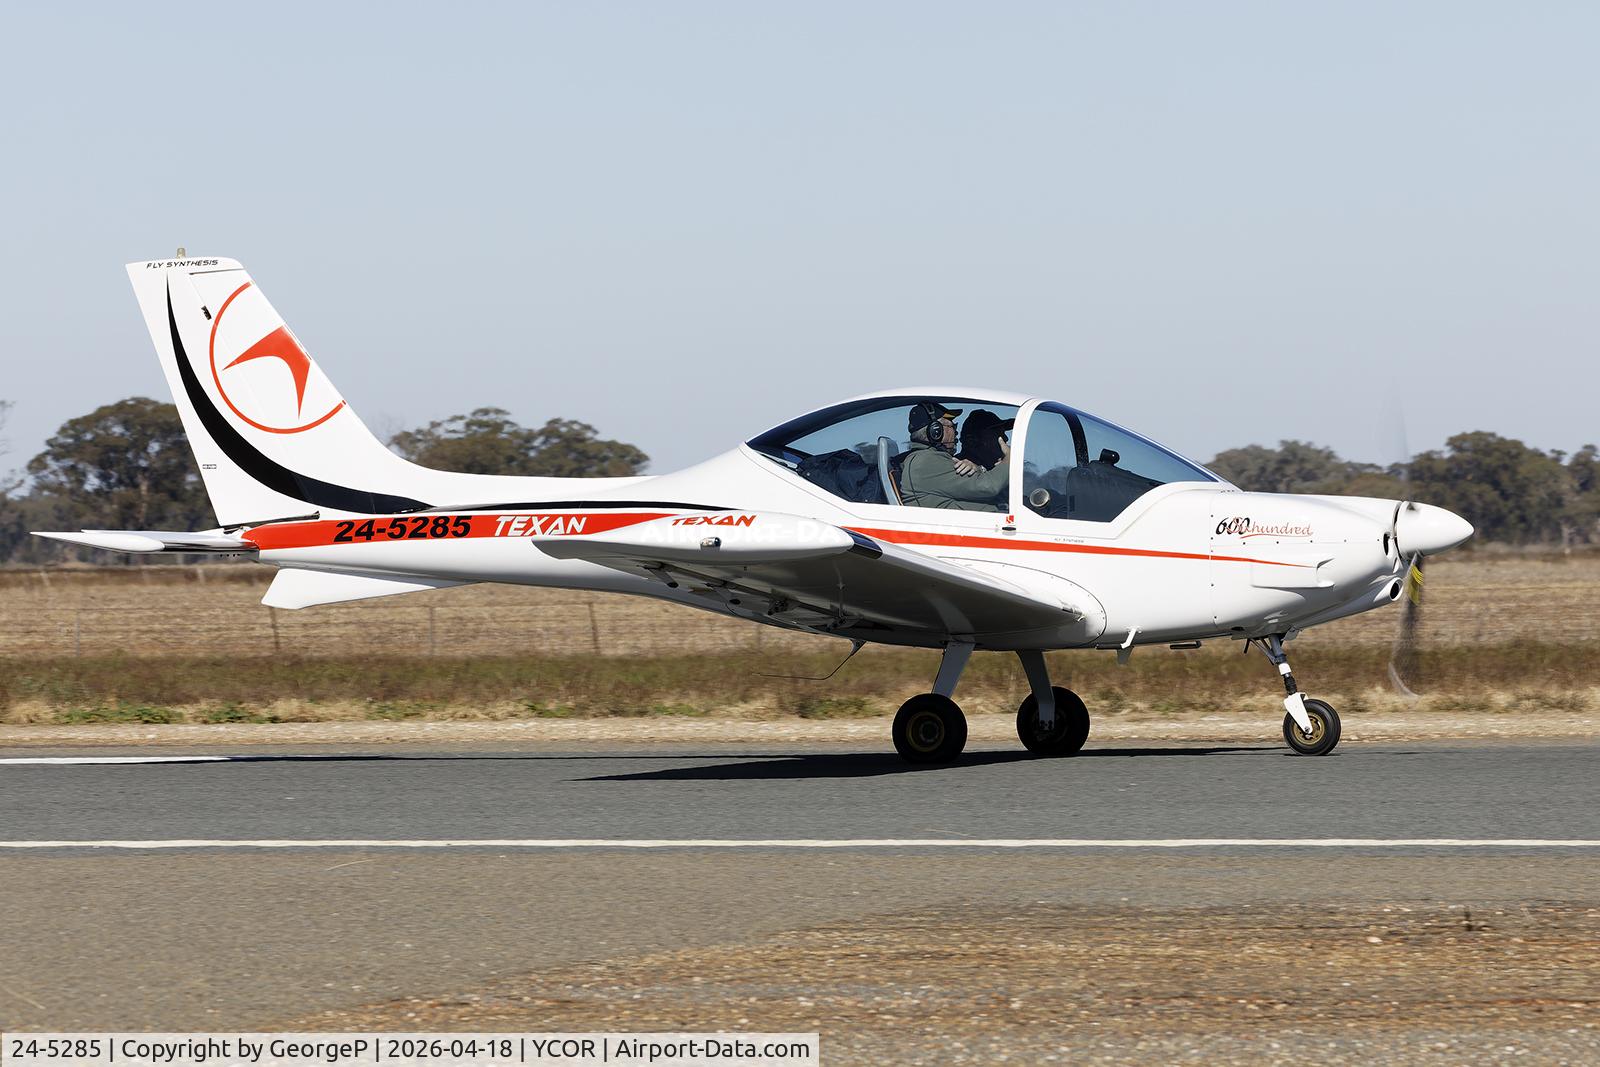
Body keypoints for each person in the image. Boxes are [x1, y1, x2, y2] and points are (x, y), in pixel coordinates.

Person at [899, 402, 1011, 511]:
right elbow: (989, 486)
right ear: (936, 431)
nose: (956, 432)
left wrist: (980, 469)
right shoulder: (926, 462)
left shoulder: (930, 459)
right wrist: (1010, 458)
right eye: (952, 426)